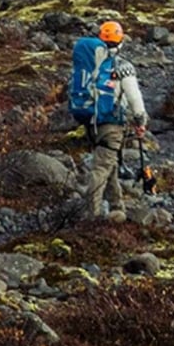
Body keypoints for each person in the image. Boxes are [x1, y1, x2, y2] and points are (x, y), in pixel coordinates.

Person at [70, 20, 147, 220]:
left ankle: (117, 207)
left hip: (91, 121)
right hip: (112, 124)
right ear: (120, 41)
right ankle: (92, 215)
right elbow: (134, 98)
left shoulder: (91, 64)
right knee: (101, 168)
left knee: (109, 164)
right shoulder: (122, 66)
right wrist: (141, 122)